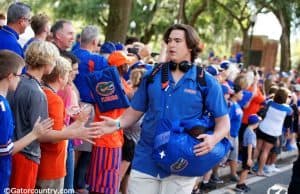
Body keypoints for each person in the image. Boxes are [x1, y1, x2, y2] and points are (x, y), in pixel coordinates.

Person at [95, 24, 230, 194]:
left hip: (182, 161)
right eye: (170, 40)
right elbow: (135, 111)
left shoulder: (207, 81)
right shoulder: (151, 75)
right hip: (146, 158)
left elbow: (223, 122)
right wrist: (116, 124)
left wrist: (214, 139)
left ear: (190, 45)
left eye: (177, 41)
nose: (171, 45)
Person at [8, 41, 101, 190]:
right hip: (26, 155)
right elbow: (41, 134)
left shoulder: (19, 81)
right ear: (47, 63)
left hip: (15, 151)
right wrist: (75, 131)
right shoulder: (36, 92)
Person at [0, 50, 53, 194]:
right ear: (10, 77)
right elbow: (4, 150)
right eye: (18, 75)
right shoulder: (2, 106)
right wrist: (35, 134)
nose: (20, 78)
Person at [86, 51, 133, 194]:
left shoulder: (101, 81)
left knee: (97, 182)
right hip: (111, 139)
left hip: (104, 135)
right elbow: (132, 99)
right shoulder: (121, 85)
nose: (128, 67)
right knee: (107, 183)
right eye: (126, 64)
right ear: (120, 66)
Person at [236, 114, 260, 192]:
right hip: (248, 151)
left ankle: (242, 183)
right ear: (255, 123)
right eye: (258, 122)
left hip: (246, 150)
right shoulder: (251, 133)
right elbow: (250, 145)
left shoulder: (247, 129)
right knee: (246, 169)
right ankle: (239, 184)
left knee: (246, 168)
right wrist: (249, 158)